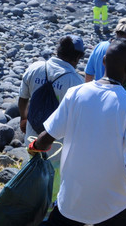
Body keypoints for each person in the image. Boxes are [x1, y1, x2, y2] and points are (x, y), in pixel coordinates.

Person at [30, 39, 126, 226]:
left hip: (71, 203)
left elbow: (47, 138)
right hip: (113, 206)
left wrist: (34, 146)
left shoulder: (75, 94)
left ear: (103, 61)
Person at [17, 35, 85, 204]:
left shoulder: (35, 68)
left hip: (32, 136)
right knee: (53, 178)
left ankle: (29, 204)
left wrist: (23, 119)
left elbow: (22, 98)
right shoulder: (75, 81)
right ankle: (47, 211)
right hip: (57, 144)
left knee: (32, 169)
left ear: (58, 50)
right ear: (77, 57)